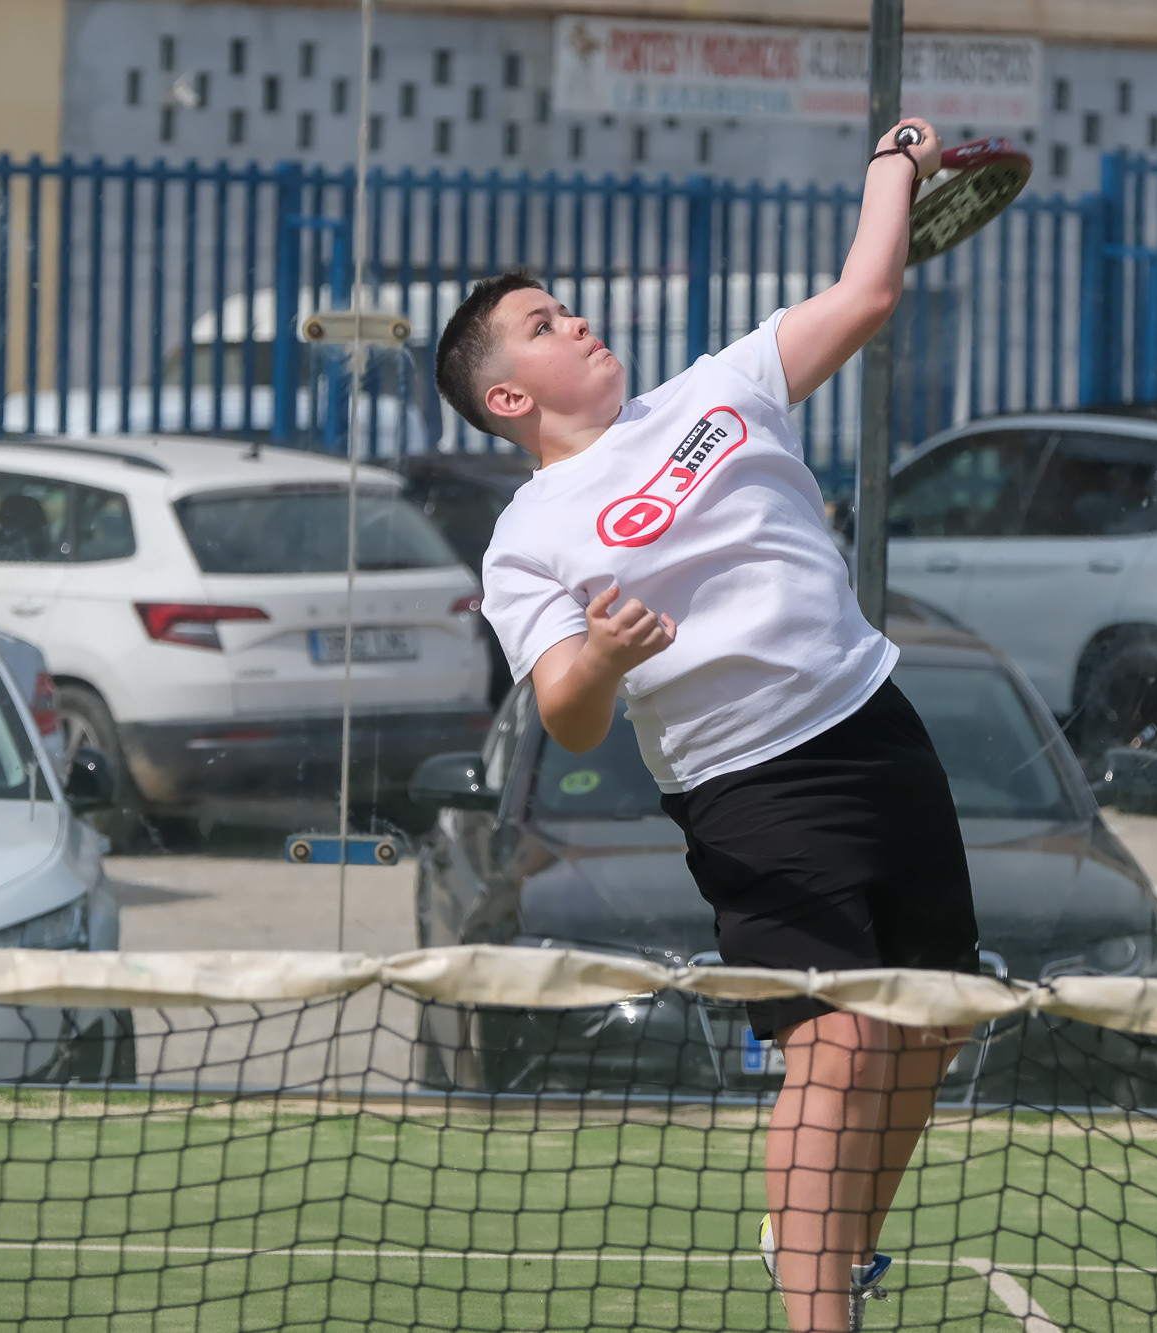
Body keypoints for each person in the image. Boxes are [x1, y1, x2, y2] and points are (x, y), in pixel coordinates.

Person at [434, 117, 979, 1333]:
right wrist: (603, 654)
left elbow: (867, 292)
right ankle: (816, 1312)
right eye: (543, 323)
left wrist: (892, 166)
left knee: (933, 1023)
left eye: (564, 307)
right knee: (834, 1045)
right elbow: (568, 714)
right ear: (509, 396)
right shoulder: (528, 536)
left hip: (874, 723)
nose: (576, 320)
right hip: (749, 788)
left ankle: (827, 1244)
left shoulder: (720, 386)